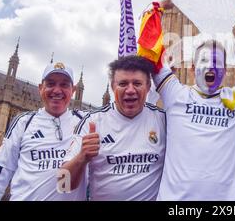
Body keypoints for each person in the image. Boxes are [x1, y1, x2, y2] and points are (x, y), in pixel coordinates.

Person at [145, 0, 235, 200]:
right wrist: (156, 11)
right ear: (192, 69)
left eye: (217, 62)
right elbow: (153, 56)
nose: (211, 67)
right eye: (204, 61)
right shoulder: (176, 94)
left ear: (226, 70)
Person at [60, 55, 166, 201]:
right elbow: (63, 184)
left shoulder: (163, 121)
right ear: (112, 86)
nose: (130, 90)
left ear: (148, 87)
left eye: (137, 83)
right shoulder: (92, 122)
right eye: (123, 84)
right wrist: (82, 157)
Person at [0, 62, 86, 201]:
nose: (57, 90)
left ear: (74, 90)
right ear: (40, 88)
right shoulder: (24, 122)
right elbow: (1, 171)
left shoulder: (85, 122)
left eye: (64, 84)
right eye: (51, 84)